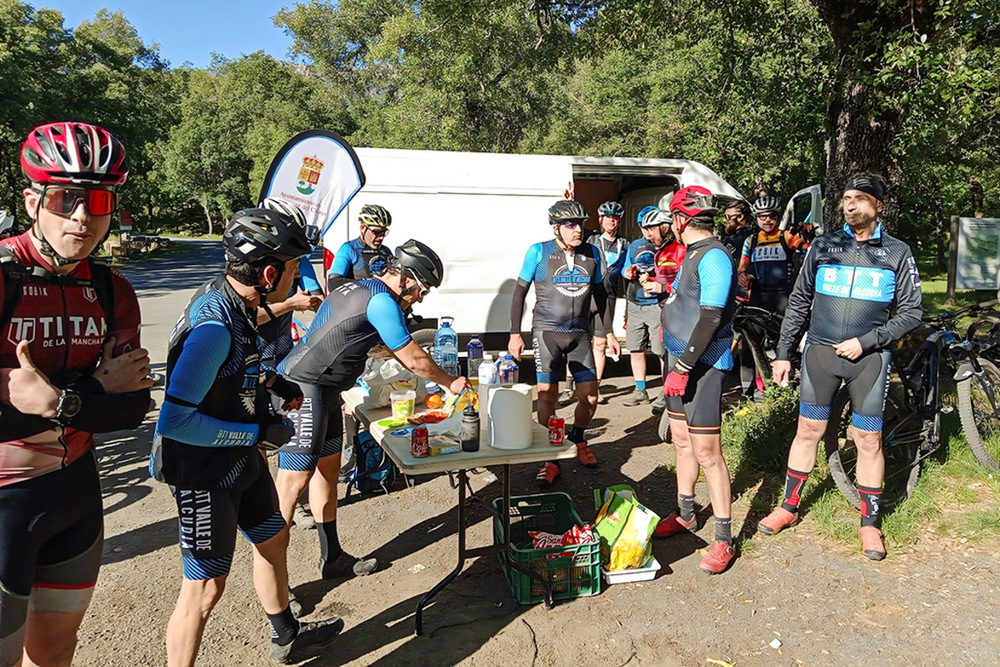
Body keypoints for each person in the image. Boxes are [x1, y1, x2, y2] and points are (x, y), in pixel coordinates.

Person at [152, 208, 342, 665]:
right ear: (269, 272)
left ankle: (286, 635)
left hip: (239, 456)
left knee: (274, 540)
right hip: (202, 468)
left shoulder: (240, 304)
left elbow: (240, 364)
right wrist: (258, 431)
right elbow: (174, 421)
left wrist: (275, 384)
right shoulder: (214, 327)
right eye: (294, 272)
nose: (297, 284)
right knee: (203, 590)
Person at [0, 121, 152, 667]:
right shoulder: (3, 277)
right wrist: (95, 391)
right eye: (66, 199)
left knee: (56, 651)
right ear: (31, 199)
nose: (83, 217)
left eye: (99, 199)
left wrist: (58, 401)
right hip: (4, 499)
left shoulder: (112, 289)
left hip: (76, 495)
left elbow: (132, 408)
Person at [275, 239, 469, 579]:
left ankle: (332, 556)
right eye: (422, 289)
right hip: (303, 390)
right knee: (291, 487)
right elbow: (412, 357)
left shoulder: (358, 286)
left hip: (326, 390)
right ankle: (276, 583)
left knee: (328, 472)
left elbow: (372, 343)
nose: (421, 298)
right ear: (406, 278)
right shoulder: (382, 301)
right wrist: (449, 380)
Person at [758, 175, 923, 561]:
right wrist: (783, 352)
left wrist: (867, 341)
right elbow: (799, 300)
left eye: (860, 199)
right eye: (846, 198)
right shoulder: (824, 244)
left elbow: (913, 311)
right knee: (807, 431)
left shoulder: (897, 252)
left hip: (868, 359)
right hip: (821, 355)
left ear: (878, 206)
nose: (850, 205)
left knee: (867, 440)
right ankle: (788, 507)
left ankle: (869, 524)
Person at [653, 185, 738, 575]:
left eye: (672, 217)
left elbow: (711, 318)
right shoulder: (693, 254)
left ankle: (724, 538)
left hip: (701, 365)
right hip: (678, 359)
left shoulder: (716, 256)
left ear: (682, 219)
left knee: (708, 453)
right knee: (682, 441)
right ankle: (686, 513)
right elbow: (685, 303)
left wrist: (683, 367)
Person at [508, 200, 621, 488]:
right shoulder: (539, 251)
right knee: (547, 396)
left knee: (591, 397)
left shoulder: (593, 252)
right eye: (570, 224)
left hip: (580, 334)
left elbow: (601, 294)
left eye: (580, 223)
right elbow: (519, 293)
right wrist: (514, 334)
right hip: (547, 333)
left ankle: (578, 438)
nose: (578, 229)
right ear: (556, 228)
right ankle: (551, 456)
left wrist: (608, 332)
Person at [736, 195, 809, 401]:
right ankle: (751, 391)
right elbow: (742, 268)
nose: (767, 220)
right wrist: (744, 277)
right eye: (762, 217)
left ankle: (782, 389)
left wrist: (806, 235)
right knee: (751, 344)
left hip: (782, 299)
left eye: (771, 216)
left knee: (782, 345)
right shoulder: (751, 241)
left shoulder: (786, 236)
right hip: (758, 298)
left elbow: (809, 251)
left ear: (777, 218)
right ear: (756, 219)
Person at [620, 205, 685, 413]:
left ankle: (666, 391)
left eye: (651, 228)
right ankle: (641, 389)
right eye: (643, 228)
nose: (647, 233)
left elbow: (684, 281)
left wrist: (661, 287)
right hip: (636, 301)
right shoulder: (636, 246)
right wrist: (627, 272)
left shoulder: (675, 248)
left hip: (659, 305)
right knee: (635, 347)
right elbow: (625, 266)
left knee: (661, 350)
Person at [578, 200, 628, 404]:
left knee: (600, 344)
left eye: (615, 218)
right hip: (584, 296)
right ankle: (571, 384)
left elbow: (626, 270)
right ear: (600, 220)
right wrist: (569, 201)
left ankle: (594, 387)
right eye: (608, 217)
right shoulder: (590, 238)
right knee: (577, 341)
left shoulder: (624, 244)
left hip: (607, 298)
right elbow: (573, 225)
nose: (611, 221)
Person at [327, 204, 393, 284]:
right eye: (377, 232)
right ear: (362, 228)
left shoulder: (386, 251)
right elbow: (333, 282)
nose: (381, 237)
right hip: (359, 296)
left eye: (383, 232)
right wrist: (368, 284)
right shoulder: (349, 248)